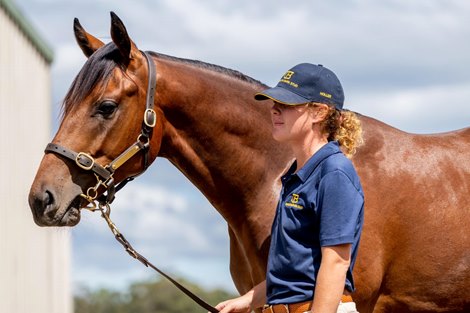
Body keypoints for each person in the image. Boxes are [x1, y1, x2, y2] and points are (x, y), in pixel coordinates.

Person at [215, 63, 364, 313]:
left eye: (286, 104)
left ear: (318, 112)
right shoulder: (297, 175)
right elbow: (293, 275)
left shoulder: (334, 172)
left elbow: (336, 262)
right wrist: (249, 299)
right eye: (275, 102)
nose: (274, 109)